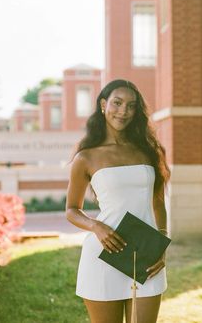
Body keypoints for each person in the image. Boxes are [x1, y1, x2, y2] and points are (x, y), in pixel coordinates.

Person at [66, 79, 171, 323]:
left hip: (145, 256)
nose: (123, 111)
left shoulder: (148, 150)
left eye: (131, 106)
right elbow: (72, 209)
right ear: (103, 105)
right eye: (117, 103)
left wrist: (161, 244)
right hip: (104, 252)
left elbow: (158, 203)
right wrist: (96, 226)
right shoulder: (86, 157)